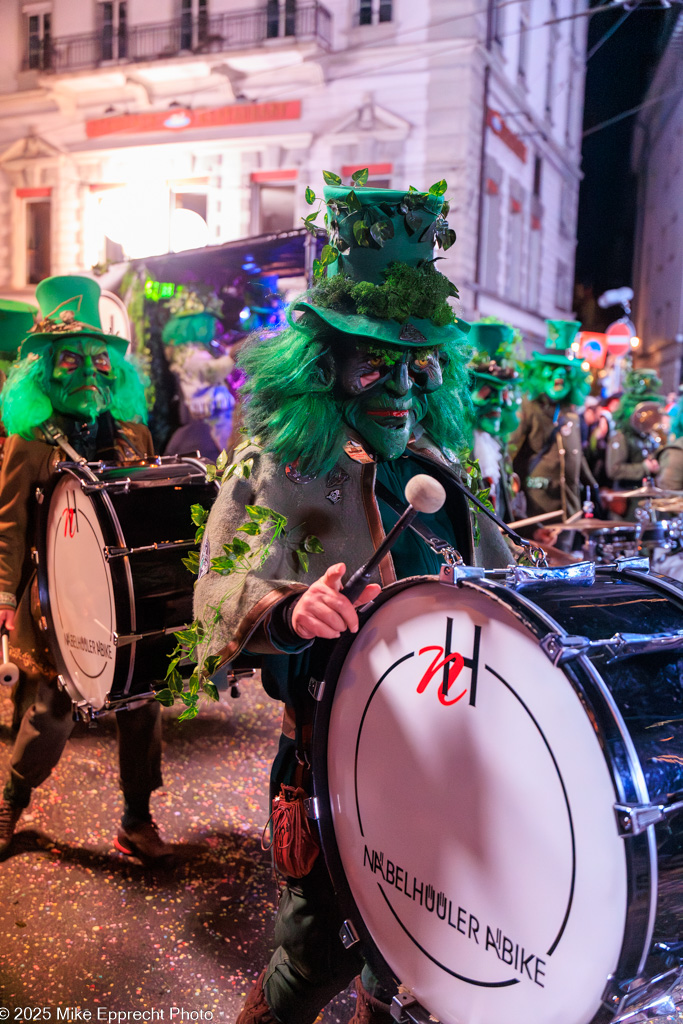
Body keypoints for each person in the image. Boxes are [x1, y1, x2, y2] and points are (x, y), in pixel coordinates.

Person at [194, 176, 512, 1024]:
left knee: (405, 962)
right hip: (331, 762)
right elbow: (216, 587)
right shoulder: (278, 464)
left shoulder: (442, 469)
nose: (401, 387)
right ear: (323, 364)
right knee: (312, 958)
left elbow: (502, 590)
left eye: (416, 363)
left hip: (439, 760)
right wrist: (290, 610)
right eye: (375, 359)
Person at [0, 275, 172, 864]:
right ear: (46, 368)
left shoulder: (134, 433)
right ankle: (11, 799)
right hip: (52, 602)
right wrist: (2, 592)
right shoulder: (28, 440)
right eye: (71, 359)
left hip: (121, 601)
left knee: (141, 701)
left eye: (99, 360)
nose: (88, 373)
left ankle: (136, 818)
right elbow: (10, 523)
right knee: (48, 713)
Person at [509, 320, 597, 544]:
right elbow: (509, 454)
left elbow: (576, 455)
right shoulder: (529, 408)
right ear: (539, 373)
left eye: (566, 370)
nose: (559, 375)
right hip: (538, 510)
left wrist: (595, 486)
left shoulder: (572, 413)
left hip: (568, 509)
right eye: (551, 367)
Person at [467, 319, 524, 522]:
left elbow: (507, 513)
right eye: (487, 392)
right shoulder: (455, 451)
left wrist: (533, 531)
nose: (498, 404)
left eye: (504, 394)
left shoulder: (497, 444)